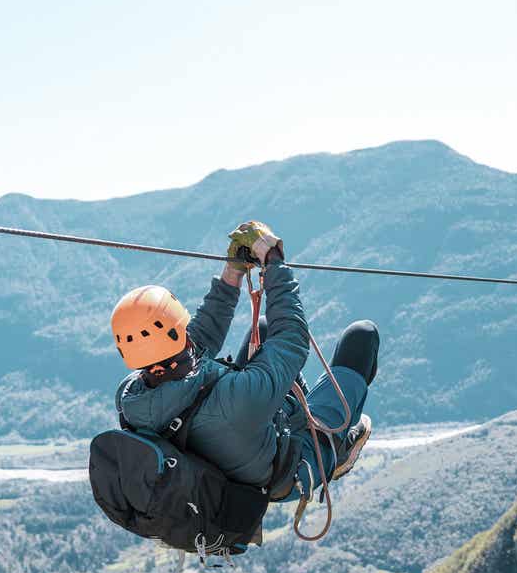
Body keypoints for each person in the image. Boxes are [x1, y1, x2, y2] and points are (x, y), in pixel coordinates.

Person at [110, 221, 377, 528]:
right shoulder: (235, 395)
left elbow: (197, 342)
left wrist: (232, 274)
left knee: (261, 329)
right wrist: (275, 265)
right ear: (176, 331)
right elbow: (291, 340)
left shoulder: (131, 396)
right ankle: (336, 451)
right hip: (290, 465)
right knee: (362, 336)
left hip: (234, 452)